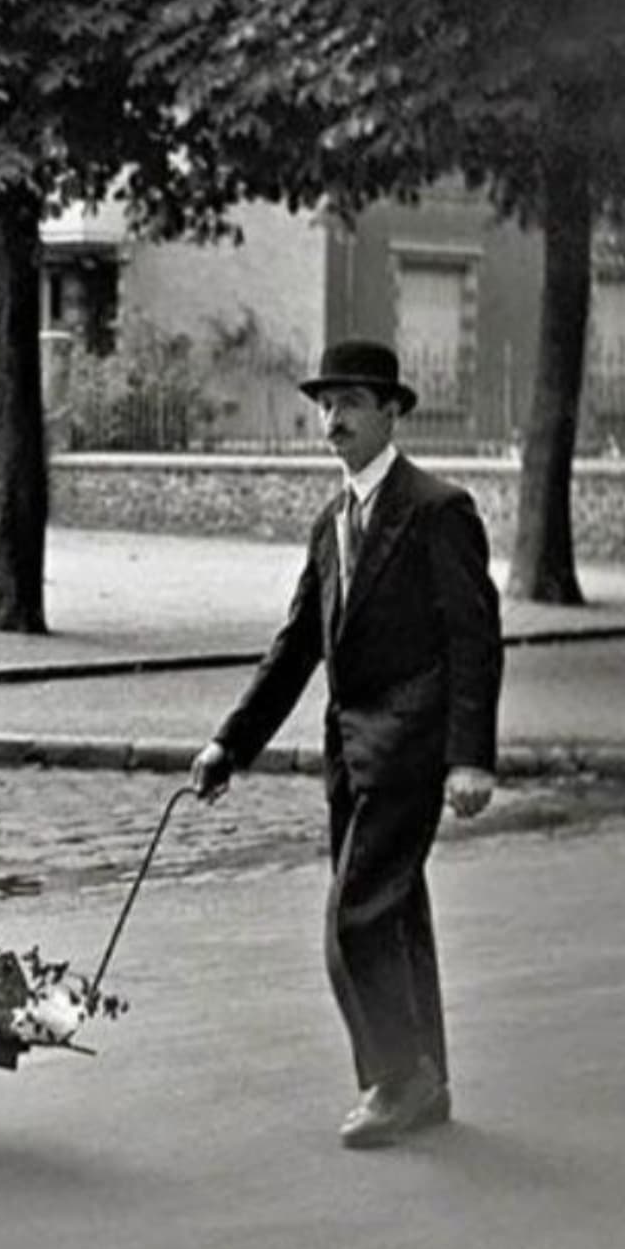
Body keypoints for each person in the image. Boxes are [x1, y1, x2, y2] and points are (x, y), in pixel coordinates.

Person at [189, 339, 503, 1150]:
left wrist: (471, 756)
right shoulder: (331, 522)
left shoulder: (438, 509)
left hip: (412, 745)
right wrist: (232, 744)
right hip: (349, 749)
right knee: (396, 917)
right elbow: (298, 644)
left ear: (390, 412)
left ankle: (395, 1080)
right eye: (325, 405)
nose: (333, 421)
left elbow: (474, 639)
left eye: (352, 404)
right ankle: (426, 1079)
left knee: (354, 920)